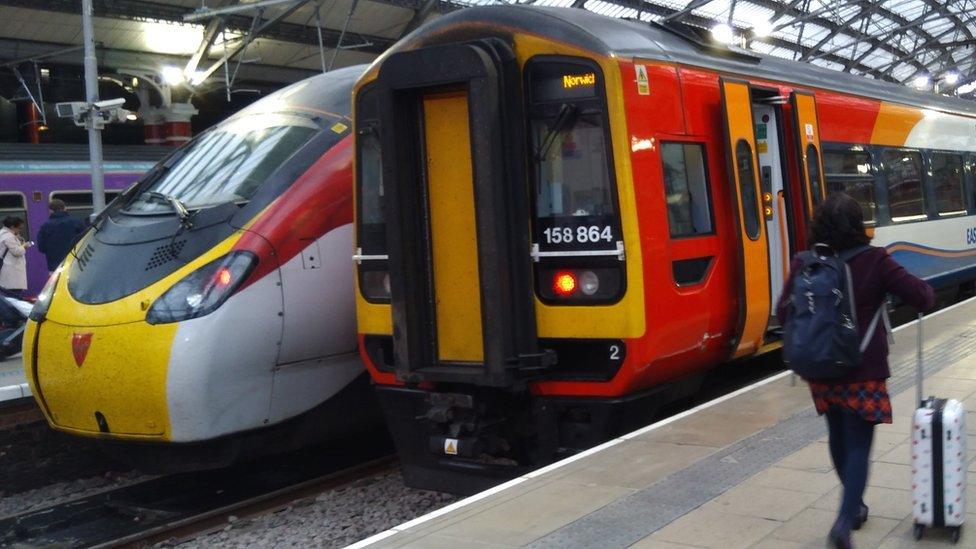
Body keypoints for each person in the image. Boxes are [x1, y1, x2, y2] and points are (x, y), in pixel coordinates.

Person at [776, 193, 934, 549]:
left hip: (821, 369)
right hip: (862, 369)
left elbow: (783, 312)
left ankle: (856, 507)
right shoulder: (875, 260)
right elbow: (922, 297)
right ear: (858, 225)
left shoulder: (806, 262)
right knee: (859, 444)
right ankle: (844, 523)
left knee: (838, 435)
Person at [36, 199, 85, 273]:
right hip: (75, 263)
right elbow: (85, 240)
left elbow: (41, 248)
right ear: (65, 208)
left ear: (50, 211)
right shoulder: (77, 222)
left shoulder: (45, 226)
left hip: (55, 266)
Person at [0, 216, 31, 296]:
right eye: (19, 228)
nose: (20, 230)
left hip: (8, 269)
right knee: (13, 296)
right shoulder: (8, 237)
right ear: (12, 227)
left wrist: (19, 239)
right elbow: (17, 252)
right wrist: (24, 246)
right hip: (11, 271)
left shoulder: (4, 234)